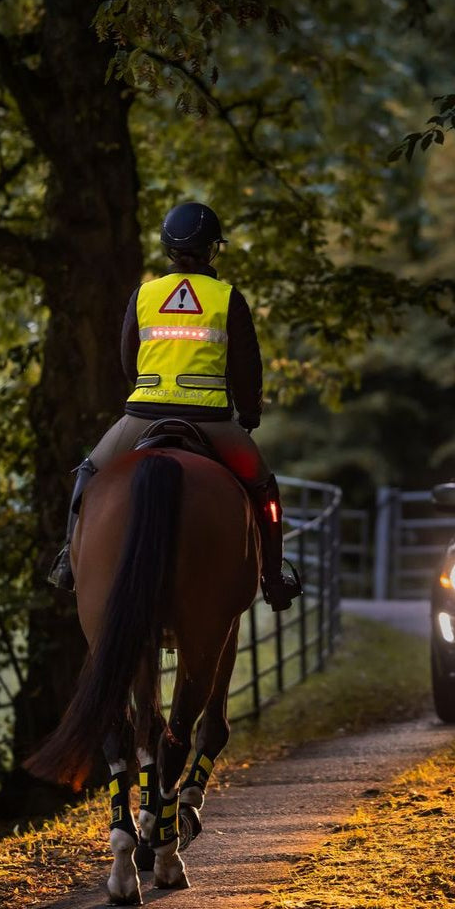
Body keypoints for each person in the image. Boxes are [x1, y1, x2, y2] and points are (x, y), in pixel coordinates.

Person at [47, 201, 302, 612]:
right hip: (211, 419)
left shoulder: (144, 295)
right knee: (263, 487)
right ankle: (274, 578)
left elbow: (129, 360)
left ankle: (67, 562)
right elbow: (246, 369)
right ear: (212, 250)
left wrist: (153, 388)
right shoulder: (226, 298)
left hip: (143, 413)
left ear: (168, 249)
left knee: (90, 471)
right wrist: (249, 415)